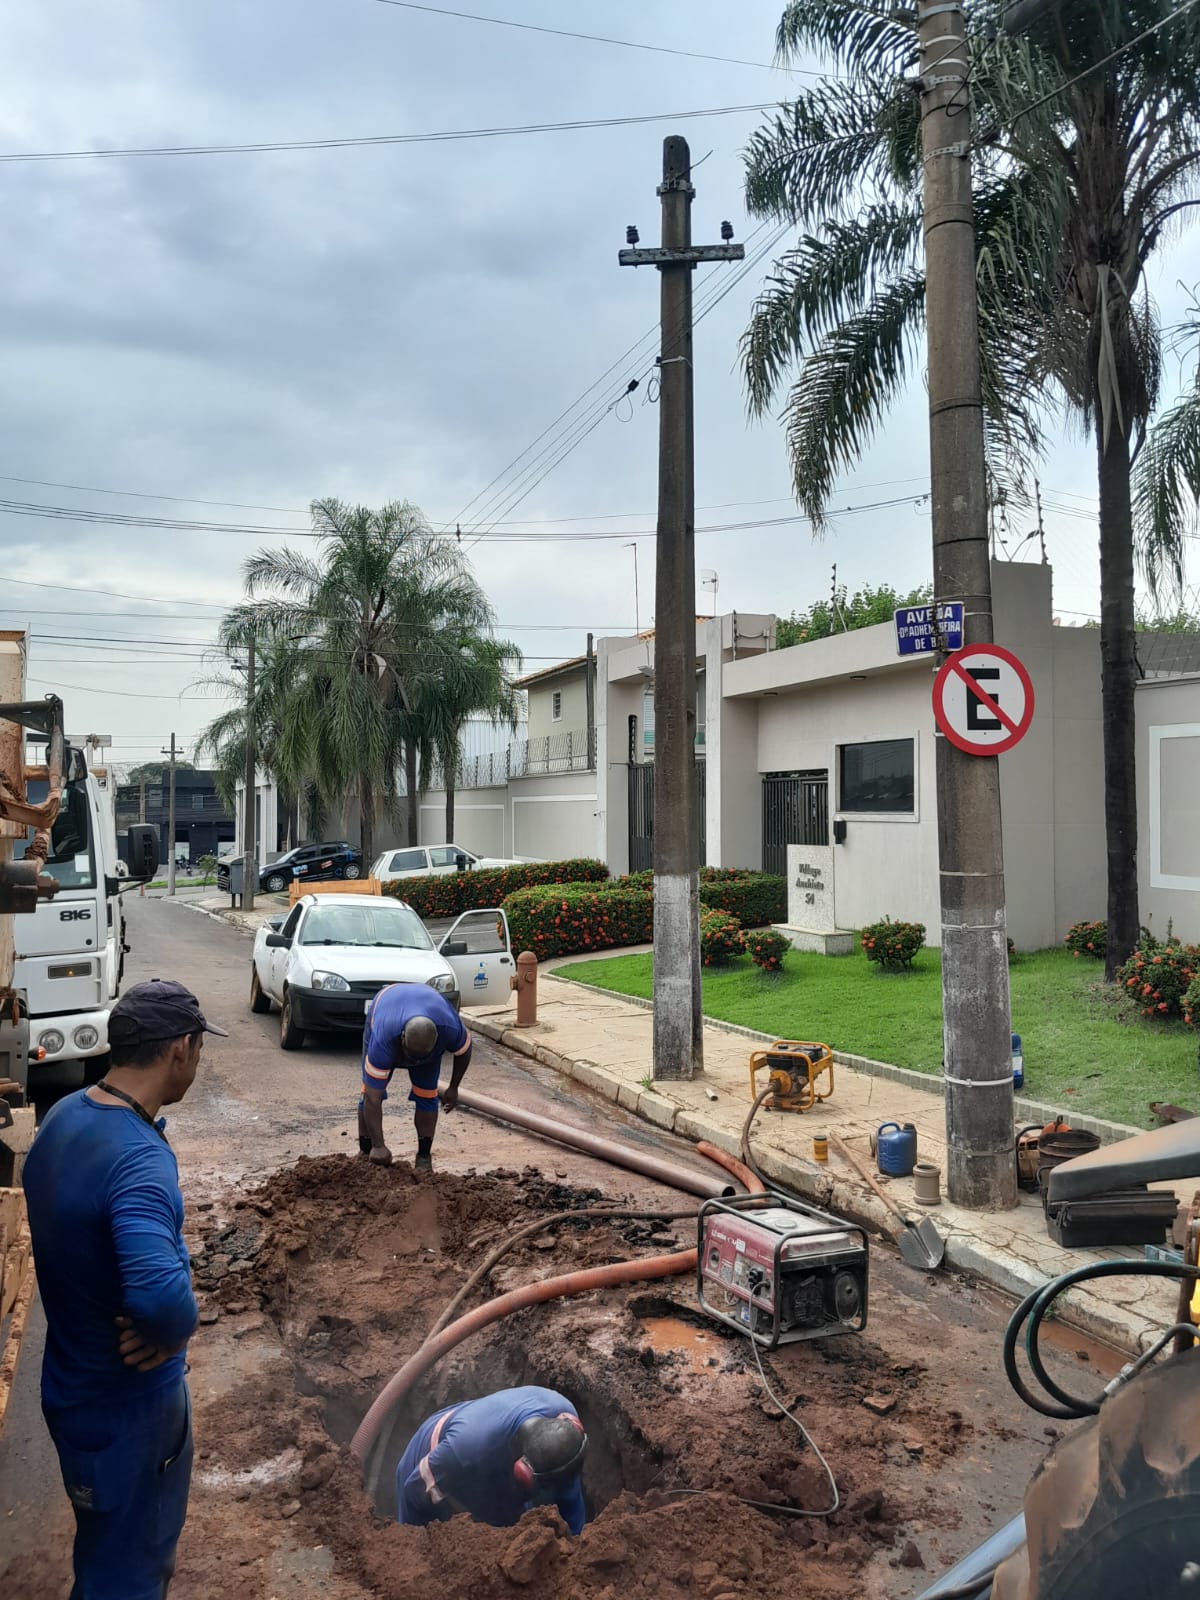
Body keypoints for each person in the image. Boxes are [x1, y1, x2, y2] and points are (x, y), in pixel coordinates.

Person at [22, 978, 226, 1600]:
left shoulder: (64, 1117)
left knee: (102, 1551)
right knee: (130, 1574)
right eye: (199, 1048)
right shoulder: (138, 1159)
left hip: (72, 1389)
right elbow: (161, 1300)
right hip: (128, 1411)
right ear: (180, 1049)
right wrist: (176, 1331)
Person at [396, 1386, 588, 1533]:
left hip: (494, 1462)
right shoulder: (466, 1448)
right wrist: (411, 1545)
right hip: (433, 1458)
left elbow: (569, 1494)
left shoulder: (563, 1423)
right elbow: (412, 1492)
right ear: (522, 1471)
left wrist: (575, 1545)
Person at [357, 983, 472, 1174]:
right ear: (402, 1038)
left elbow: (465, 1051)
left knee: (427, 1094)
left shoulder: (450, 1028)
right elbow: (372, 1098)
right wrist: (379, 1146)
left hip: (427, 1032)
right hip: (387, 1003)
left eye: (419, 1058)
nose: (413, 1063)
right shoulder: (383, 1039)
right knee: (368, 1091)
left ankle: (424, 1156)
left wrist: (454, 1087)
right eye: (411, 1057)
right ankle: (366, 1151)